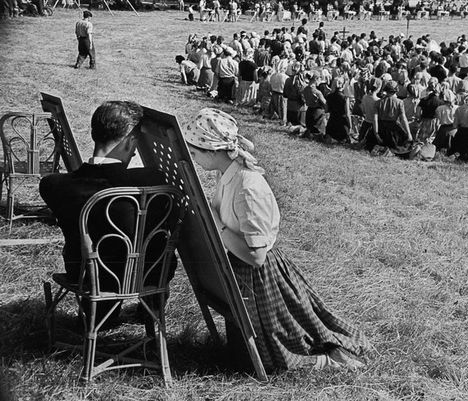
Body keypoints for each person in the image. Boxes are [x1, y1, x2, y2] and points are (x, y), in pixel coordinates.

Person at [182, 108, 371, 371]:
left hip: (260, 277)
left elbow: (256, 256)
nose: (194, 158)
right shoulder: (226, 173)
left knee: (272, 358)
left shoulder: (248, 187)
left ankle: (329, 360)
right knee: (244, 356)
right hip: (243, 273)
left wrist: (218, 227)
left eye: (195, 153)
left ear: (213, 150)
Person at [39, 101, 175, 323]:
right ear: (131, 142)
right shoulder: (149, 184)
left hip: (83, 276)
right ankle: (149, 311)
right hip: (140, 278)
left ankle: (101, 316)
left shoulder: (53, 186)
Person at [325, 76, 352, 143]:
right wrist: (350, 126)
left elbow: (326, 110)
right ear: (342, 85)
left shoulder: (329, 96)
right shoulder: (345, 98)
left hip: (331, 124)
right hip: (342, 125)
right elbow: (347, 114)